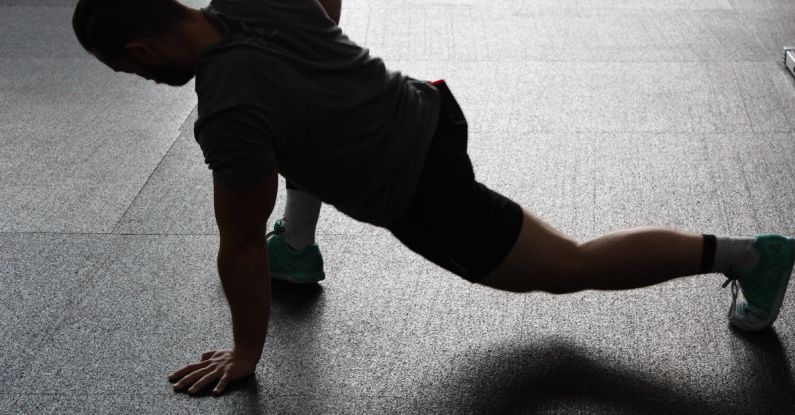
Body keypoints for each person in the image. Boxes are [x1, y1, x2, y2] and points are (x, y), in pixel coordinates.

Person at [72, 0, 795, 397]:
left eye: (129, 74)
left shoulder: (227, 112)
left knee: (568, 266)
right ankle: (297, 249)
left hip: (420, 188)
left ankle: (747, 255)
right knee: (300, 126)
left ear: (141, 53)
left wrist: (245, 351)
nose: (138, 81)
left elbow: (234, 242)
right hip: (426, 103)